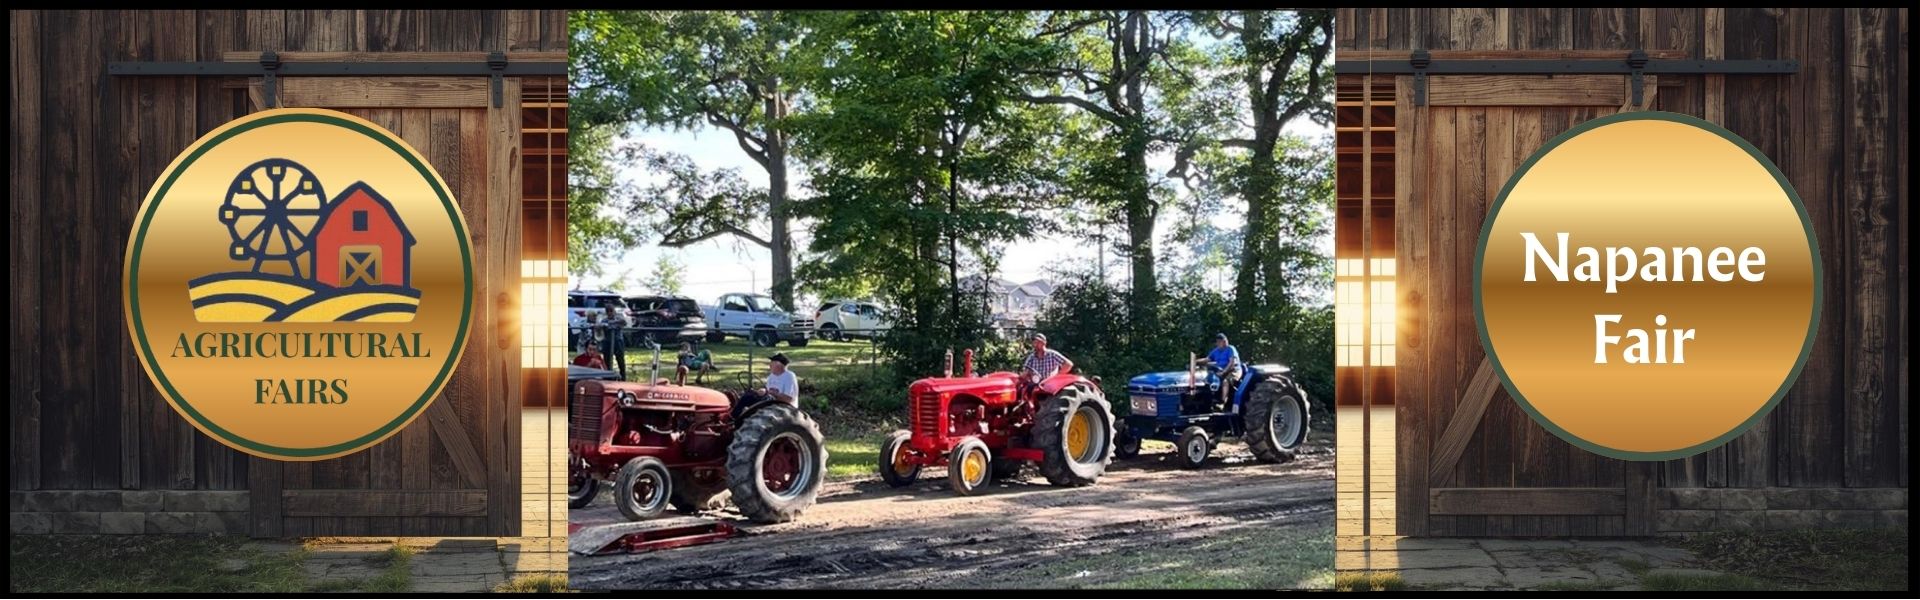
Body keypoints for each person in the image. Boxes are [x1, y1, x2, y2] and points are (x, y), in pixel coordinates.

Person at [732, 353, 798, 421]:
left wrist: (769, 393)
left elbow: (788, 398)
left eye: (772, 363)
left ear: (779, 365)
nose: (769, 365)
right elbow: (767, 390)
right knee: (748, 396)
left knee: (765, 399)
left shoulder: (789, 376)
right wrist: (762, 391)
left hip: (784, 405)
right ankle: (733, 417)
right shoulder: (771, 376)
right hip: (772, 401)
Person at [1199, 333, 1241, 408]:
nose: (1219, 343)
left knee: (1225, 381)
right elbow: (1207, 359)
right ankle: (1207, 402)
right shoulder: (1216, 351)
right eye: (1218, 342)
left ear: (1225, 341)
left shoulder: (1230, 349)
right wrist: (1195, 361)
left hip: (1233, 371)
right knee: (1207, 380)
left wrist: (1223, 372)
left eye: (1221, 341)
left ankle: (1222, 402)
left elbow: (1232, 362)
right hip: (1220, 371)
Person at [601, 301, 628, 379]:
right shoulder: (604, 321)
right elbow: (602, 327)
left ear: (614, 310)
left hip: (618, 342)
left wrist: (614, 322)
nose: (610, 313)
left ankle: (623, 377)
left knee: (620, 361)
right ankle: (608, 377)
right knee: (607, 361)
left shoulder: (619, 318)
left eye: (611, 310)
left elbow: (624, 322)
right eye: (608, 311)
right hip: (607, 342)